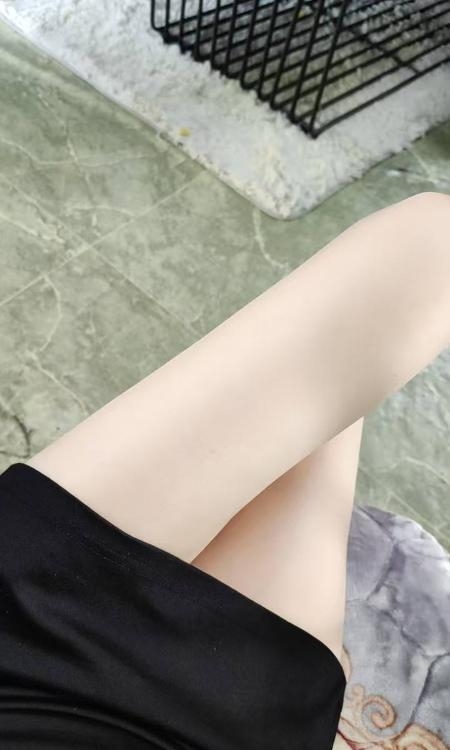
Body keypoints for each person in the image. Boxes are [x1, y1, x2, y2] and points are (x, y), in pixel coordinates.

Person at [0, 191, 449, 750]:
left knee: (337, 368)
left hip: (110, 691)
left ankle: (310, 331)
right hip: (189, 714)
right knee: (427, 247)